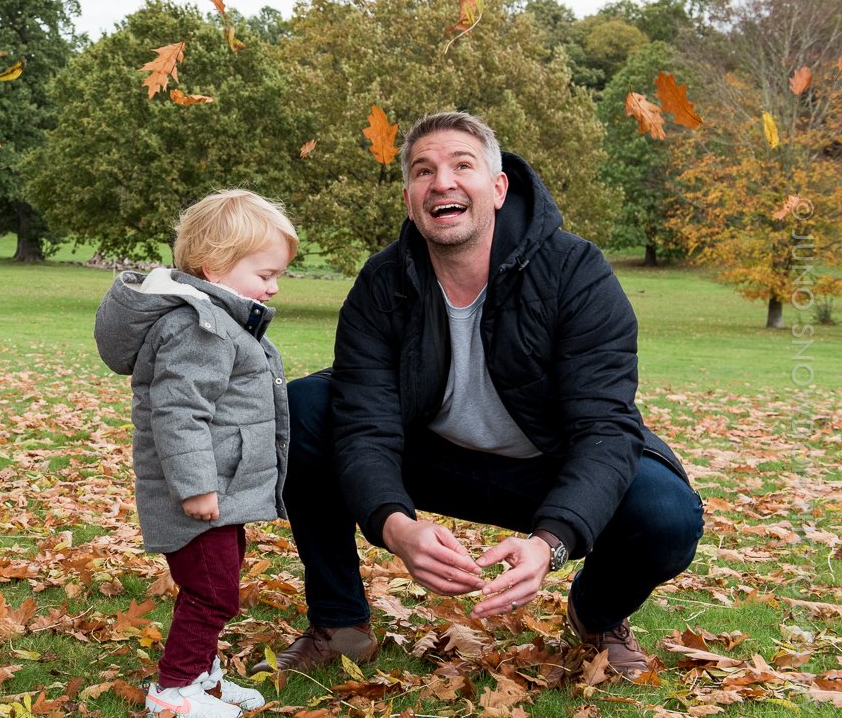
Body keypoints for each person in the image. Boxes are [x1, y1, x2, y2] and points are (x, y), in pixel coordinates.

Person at [263, 111, 702, 680]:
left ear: (498, 189)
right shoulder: (383, 281)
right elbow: (364, 424)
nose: (441, 181)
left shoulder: (577, 272)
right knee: (304, 410)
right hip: (431, 457)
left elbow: (605, 428)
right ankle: (340, 622)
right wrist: (397, 527)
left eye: (461, 165)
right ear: (410, 198)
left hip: (547, 465)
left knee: (668, 514)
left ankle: (597, 616)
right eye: (423, 171)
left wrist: (552, 543)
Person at [94, 190, 297, 718]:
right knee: (212, 593)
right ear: (216, 267)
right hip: (201, 495)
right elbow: (179, 413)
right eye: (265, 274)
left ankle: (202, 675)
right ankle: (175, 686)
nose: (274, 287)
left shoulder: (221, 321)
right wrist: (197, 487)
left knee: (216, 584)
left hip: (219, 491)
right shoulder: (199, 327)